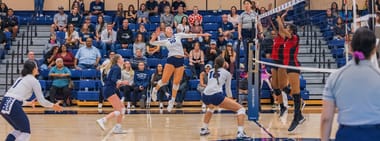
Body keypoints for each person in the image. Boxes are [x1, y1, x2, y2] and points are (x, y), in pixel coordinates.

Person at [321, 28, 380, 141]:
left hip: (347, 134)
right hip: (375, 134)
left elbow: (326, 118)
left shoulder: (336, 77)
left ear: (350, 47)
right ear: (373, 50)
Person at [150, 27, 210, 112]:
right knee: (164, 80)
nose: (169, 30)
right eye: (167, 29)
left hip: (180, 60)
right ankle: (155, 90)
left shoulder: (178, 35)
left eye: (170, 29)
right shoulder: (165, 41)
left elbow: (191, 35)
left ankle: (172, 101)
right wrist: (154, 36)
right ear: (166, 33)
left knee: (176, 82)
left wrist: (203, 34)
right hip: (171, 59)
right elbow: (151, 42)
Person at [0, 60, 63, 141]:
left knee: (18, 130)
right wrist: (53, 105)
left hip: (3, 103)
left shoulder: (21, 78)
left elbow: (14, 97)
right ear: (33, 69)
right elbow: (42, 101)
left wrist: (29, 103)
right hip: (13, 104)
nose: (38, 68)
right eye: (37, 67)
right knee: (26, 132)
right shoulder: (34, 81)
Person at [199, 56, 250, 139]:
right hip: (215, 96)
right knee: (241, 109)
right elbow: (228, 89)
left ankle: (204, 128)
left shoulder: (211, 71)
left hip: (205, 95)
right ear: (223, 63)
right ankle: (240, 133)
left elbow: (211, 84)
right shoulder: (227, 73)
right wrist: (231, 99)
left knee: (211, 108)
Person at [276, 14, 305, 132]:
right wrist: (279, 22)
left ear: (291, 30)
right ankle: (300, 116)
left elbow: (283, 30)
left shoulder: (295, 37)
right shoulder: (287, 39)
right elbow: (281, 31)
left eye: (288, 28)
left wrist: (279, 20)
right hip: (287, 66)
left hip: (294, 65)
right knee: (284, 87)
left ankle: (296, 117)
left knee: (296, 92)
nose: (286, 30)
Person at [96, 54, 128, 134]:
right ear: (118, 60)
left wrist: (119, 84)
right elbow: (113, 79)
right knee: (118, 110)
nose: (123, 59)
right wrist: (123, 82)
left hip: (110, 89)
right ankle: (103, 120)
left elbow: (111, 80)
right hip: (109, 89)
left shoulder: (115, 67)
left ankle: (118, 127)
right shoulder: (116, 68)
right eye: (122, 58)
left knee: (122, 108)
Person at [238, 0, 263, 70]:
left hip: (253, 33)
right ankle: (246, 68)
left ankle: (255, 66)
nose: (246, 5)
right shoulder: (242, 15)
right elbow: (239, 25)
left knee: (253, 50)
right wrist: (239, 35)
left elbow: (259, 24)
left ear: (250, 5)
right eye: (245, 4)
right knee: (246, 51)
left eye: (247, 4)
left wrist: (261, 32)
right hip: (245, 33)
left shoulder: (255, 14)